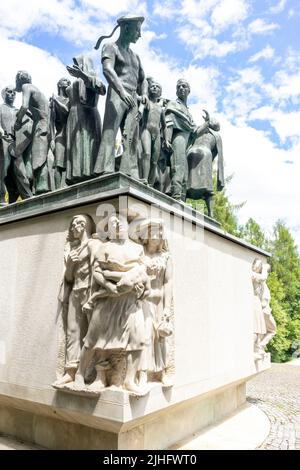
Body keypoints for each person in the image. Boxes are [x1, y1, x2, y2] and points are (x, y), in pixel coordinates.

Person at [71, 214, 150, 395]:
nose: (117, 224)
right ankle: (80, 374)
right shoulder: (104, 247)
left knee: (137, 339)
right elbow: (97, 272)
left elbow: (143, 273)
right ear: (109, 229)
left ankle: (129, 380)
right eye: (112, 223)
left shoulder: (138, 248)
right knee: (92, 340)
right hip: (107, 300)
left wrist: (140, 288)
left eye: (120, 222)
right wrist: (110, 286)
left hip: (130, 301)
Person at [93, 15, 148, 179]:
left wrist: (143, 93)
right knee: (111, 130)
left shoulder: (135, 56)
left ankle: (130, 171)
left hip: (133, 97)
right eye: (137, 30)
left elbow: (143, 79)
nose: (140, 34)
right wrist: (121, 92)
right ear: (126, 28)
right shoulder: (110, 47)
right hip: (117, 93)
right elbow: (107, 70)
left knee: (132, 136)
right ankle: (105, 168)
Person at [54, 214, 96, 387]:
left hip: (89, 292)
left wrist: (92, 298)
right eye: (71, 226)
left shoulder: (93, 245)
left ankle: (88, 371)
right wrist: (70, 264)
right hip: (75, 292)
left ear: (83, 225)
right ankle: (71, 371)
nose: (72, 229)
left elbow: (96, 272)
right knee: (72, 332)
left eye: (75, 225)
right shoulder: (72, 248)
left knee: (90, 334)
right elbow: (69, 279)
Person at [135, 219, 173, 387]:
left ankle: (162, 372)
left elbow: (168, 282)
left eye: (159, 232)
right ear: (147, 235)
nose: (156, 235)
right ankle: (142, 373)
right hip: (143, 301)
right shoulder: (139, 254)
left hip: (158, 302)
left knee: (160, 338)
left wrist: (166, 307)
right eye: (153, 232)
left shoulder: (165, 256)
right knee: (145, 336)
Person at [65, 55, 106, 185]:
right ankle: (76, 174)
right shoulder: (74, 83)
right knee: (76, 145)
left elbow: (101, 89)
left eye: (78, 63)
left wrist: (82, 75)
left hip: (88, 114)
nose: (76, 65)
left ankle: (89, 173)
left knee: (88, 144)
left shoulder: (91, 75)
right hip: (74, 116)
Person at [165, 79, 206, 201]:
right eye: (179, 87)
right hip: (177, 138)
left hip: (186, 142)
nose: (181, 88)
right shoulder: (173, 104)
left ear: (189, 91)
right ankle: (176, 196)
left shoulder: (188, 112)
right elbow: (168, 122)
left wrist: (207, 124)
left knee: (184, 170)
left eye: (184, 86)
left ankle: (182, 198)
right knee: (177, 167)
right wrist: (167, 139)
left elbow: (194, 132)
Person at [15, 70, 50, 195]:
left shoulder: (26, 87)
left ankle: (42, 187)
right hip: (46, 125)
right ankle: (41, 186)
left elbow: (24, 106)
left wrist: (18, 121)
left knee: (38, 156)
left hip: (40, 125)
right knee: (43, 155)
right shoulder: (38, 89)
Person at [186, 112, 224, 217]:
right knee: (208, 189)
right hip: (206, 154)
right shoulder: (217, 136)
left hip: (190, 153)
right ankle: (211, 214)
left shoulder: (199, 129)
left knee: (186, 184)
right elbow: (217, 153)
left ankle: (181, 204)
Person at [139, 81, 171, 186]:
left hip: (156, 134)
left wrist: (166, 140)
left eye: (157, 87)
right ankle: (144, 178)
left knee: (154, 161)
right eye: (152, 86)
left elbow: (165, 126)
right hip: (146, 131)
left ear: (160, 93)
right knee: (146, 154)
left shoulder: (160, 109)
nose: (154, 88)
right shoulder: (146, 101)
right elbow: (141, 103)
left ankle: (151, 184)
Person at [49, 78, 71, 189]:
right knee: (58, 164)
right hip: (60, 134)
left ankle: (68, 188)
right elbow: (51, 122)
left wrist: (55, 101)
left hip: (70, 135)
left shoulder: (71, 99)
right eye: (64, 80)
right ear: (59, 84)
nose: (67, 81)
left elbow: (66, 111)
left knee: (69, 163)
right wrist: (52, 139)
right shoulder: (53, 101)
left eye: (68, 81)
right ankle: (57, 190)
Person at [0, 86, 19, 204]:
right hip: (4, 142)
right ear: (4, 94)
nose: (12, 94)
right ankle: (1, 197)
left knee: (17, 173)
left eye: (14, 93)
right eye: (9, 92)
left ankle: (13, 200)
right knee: (3, 171)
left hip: (17, 144)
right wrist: (1, 132)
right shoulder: (1, 108)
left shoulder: (17, 111)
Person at [252, 258, 268, 360]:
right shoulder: (252, 274)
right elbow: (263, 277)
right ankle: (253, 350)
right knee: (255, 327)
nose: (258, 268)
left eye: (259, 267)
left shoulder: (256, 275)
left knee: (259, 329)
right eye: (257, 266)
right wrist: (266, 268)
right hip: (254, 300)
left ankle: (257, 348)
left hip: (257, 301)